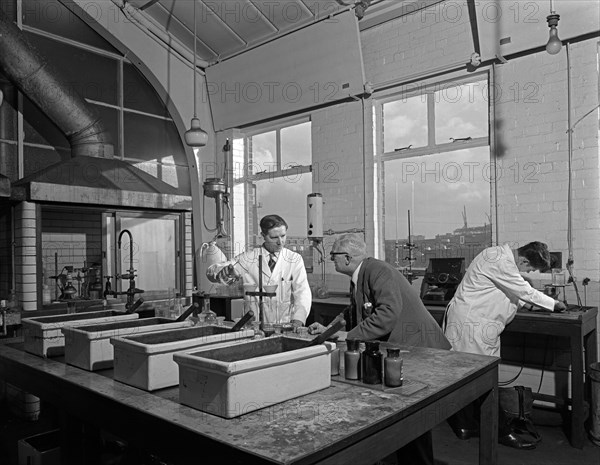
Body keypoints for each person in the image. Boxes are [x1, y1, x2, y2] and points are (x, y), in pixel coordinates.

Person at [308, 233, 450, 465]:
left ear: (346, 257)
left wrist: (349, 336)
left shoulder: (377, 271)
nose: (331, 260)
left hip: (420, 349)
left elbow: (387, 314)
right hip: (402, 349)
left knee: (412, 415)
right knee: (399, 411)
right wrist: (330, 328)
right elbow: (354, 312)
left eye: (333, 256)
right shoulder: (361, 275)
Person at [443, 241, 567, 450]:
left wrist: (529, 305)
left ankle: (465, 426)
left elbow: (508, 291)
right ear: (523, 260)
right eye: (530, 268)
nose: (529, 272)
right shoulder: (498, 259)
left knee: (467, 377)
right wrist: (554, 304)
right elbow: (523, 289)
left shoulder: (502, 261)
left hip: (477, 324)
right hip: (472, 325)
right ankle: (501, 431)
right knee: (482, 379)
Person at [207, 214, 311, 326]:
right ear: (263, 236)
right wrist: (222, 271)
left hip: (283, 325)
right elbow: (212, 271)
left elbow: (302, 292)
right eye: (274, 237)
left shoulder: (294, 259)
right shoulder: (248, 258)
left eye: (283, 236)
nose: (280, 242)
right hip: (253, 326)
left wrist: (298, 320)